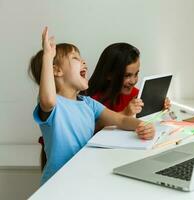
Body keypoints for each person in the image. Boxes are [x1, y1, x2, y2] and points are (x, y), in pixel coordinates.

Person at [29, 27, 155, 185]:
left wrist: (143, 125)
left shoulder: (88, 104)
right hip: (57, 183)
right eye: (75, 58)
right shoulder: (54, 105)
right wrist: (48, 56)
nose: (83, 61)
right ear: (56, 70)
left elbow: (121, 120)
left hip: (84, 176)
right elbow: (47, 100)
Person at [87, 43, 170, 116]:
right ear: (109, 74)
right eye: (127, 75)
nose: (133, 81)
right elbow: (91, 129)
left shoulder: (134, 95)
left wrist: (159, 109)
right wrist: (124, 114)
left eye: (136, 74)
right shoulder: (90, 102)